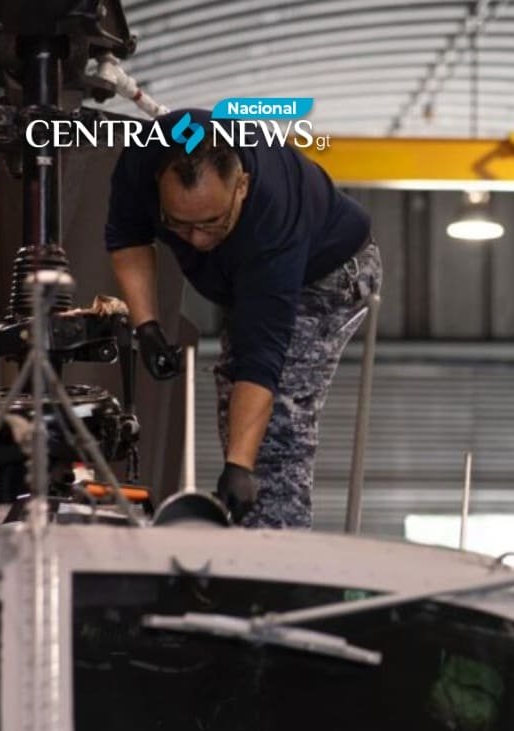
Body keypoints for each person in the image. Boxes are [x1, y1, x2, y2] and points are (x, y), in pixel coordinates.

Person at [104, 109, 381, 527]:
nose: (197, 241)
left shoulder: (274, 218)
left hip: (327, 273)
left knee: (272, 432)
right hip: (247, 276)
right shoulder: (141, 158)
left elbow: (262, 358)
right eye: (179, 225)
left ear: (242, 188)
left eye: (211, 223)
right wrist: (147, 327)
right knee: (238, 415)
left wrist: (239, 467)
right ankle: (253, 534)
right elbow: (128, 237)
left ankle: (276, 561)